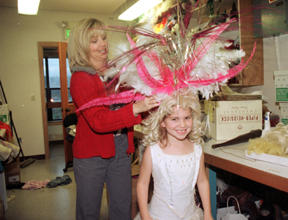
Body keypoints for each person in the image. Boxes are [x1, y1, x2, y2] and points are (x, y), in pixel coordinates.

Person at [68, 18, 159, 220]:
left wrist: (155, 96)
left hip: (120, 150)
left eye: (104, 38)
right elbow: (99, 121)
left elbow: (136, 105)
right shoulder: (80, 78)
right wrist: (136, 108)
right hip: (91, 154)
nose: (103, 44)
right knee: (89, 210)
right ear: (82, 46)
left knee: (121, 207)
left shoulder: (117, 74)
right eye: (94, 40)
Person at [135, 92, 214, 220]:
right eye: (174, 119)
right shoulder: (153, 151)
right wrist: (145, 215)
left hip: (190, 215)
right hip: (159, 216)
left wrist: (208, 213)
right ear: (162, 122)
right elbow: (143, 184)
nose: (182, 125)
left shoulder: (197, 149)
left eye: (187, 118)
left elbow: (202, 181)